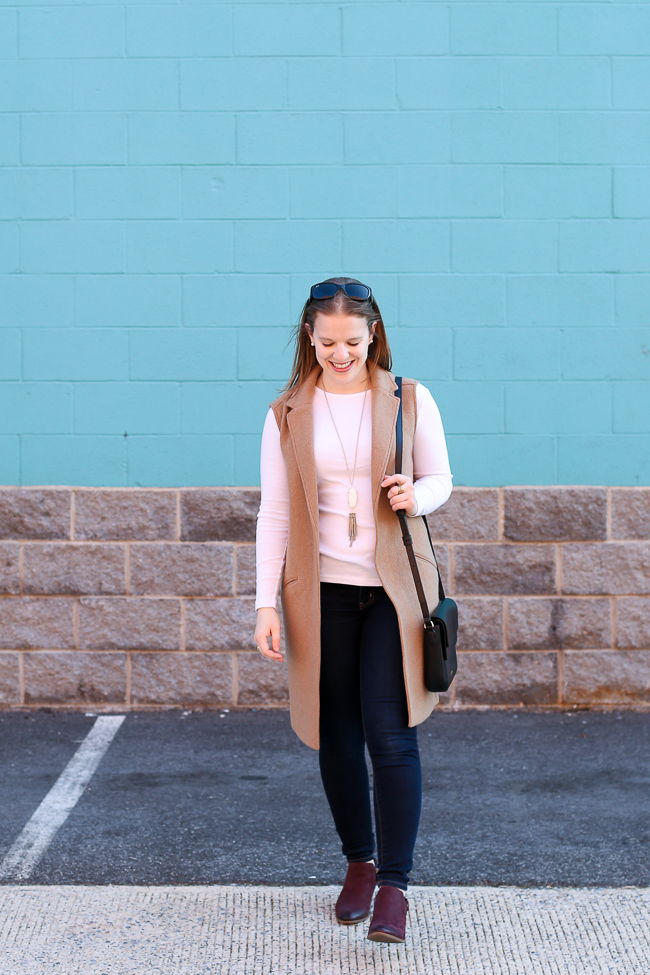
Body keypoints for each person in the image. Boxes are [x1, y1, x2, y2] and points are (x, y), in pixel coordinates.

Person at [253, 277, 453, 944]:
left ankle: (395, 883)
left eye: (353, 341)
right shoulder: (287, 412)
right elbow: (274, 514)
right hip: (321, 593)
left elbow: (442, 479)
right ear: (310, 336)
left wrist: (413, 495)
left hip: (392, 595)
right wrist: (264, 605)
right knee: (334, 733)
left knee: (389, 733)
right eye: (329, 341)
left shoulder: (407, 399)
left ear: (373, 334)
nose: (341, 353)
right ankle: (360, 862)